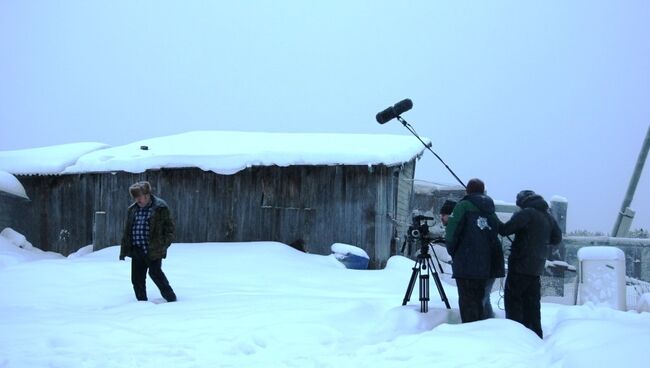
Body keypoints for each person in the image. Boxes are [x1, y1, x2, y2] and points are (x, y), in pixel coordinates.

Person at [498, 190, 562, 338]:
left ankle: (515, 336)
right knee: (532, 304)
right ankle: (534, 335)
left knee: (513, 301)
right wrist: (538, 240)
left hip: (520, 265)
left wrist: (492, 217)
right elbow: (556, 239)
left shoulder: (526, 213)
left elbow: (504, 230)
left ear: (522, 202)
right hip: (536, 267)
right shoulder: (548, 217)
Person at [445, 178, 505, 323]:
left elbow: (452, 232)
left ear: (467, 190)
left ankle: (469, 332)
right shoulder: (491, 211)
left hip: (466, 263)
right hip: (486, 265)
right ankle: (482, 329)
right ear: (483, 191)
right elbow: (500, 229)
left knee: (467, 301)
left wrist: (454, 251)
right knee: (480, 300)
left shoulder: (463, 206)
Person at [119, 181, 177, 302]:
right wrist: (124, 249)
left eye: (139, 197)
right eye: (135, 197)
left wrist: (163, 244)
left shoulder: (160, 207)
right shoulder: (132, 210)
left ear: (147, 195)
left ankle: (171, 298)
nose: (137, 200)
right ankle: (142, 303)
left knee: (155, 273)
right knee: (137, 279)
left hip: (154, 249)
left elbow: (170, 229)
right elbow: (127, 231)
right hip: (137, 250)